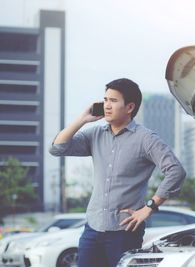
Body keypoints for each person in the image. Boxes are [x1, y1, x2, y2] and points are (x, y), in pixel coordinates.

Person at [49, 78, 186, 267]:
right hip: (92, 229)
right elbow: (57, 149)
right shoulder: (95, 134)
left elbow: (176, 171)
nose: (107, 105)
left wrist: (149, 207)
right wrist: (82, 119)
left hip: (124, 232)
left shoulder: (145, 138)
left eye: (113, 101)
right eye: (105, 100)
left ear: (129, 107)